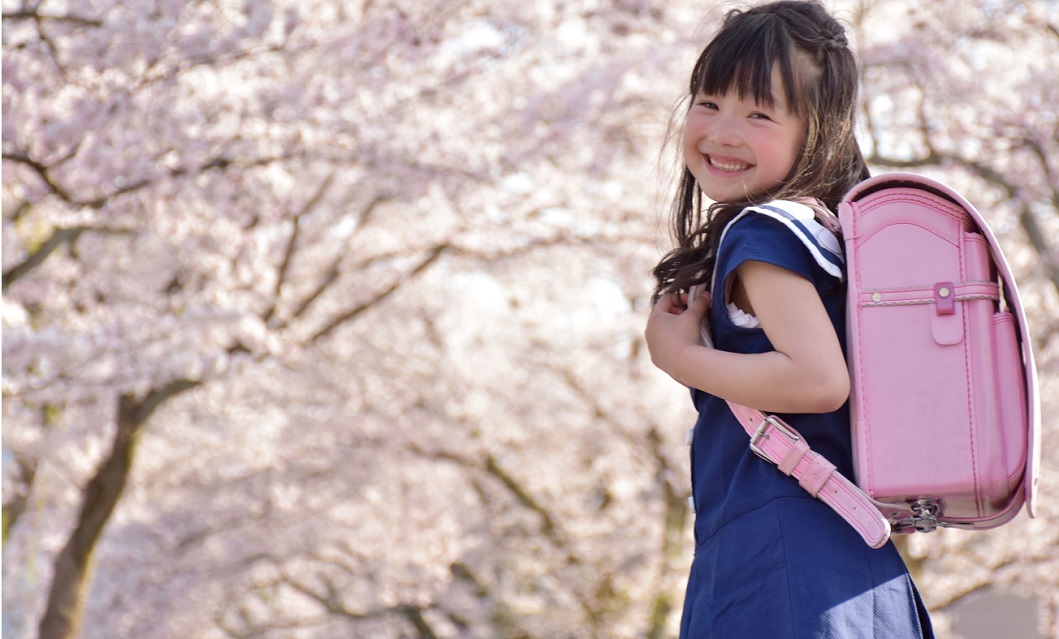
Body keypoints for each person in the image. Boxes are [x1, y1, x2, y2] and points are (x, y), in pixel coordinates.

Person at [643, 1, 935, 637]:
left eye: (759, 113)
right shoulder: (828, 238)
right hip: (847, 559)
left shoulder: (763, 234)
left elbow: (818, 381)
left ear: (816, 132)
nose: (723, 131)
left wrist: (679, 358)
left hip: (780, 562)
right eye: (709, 101)